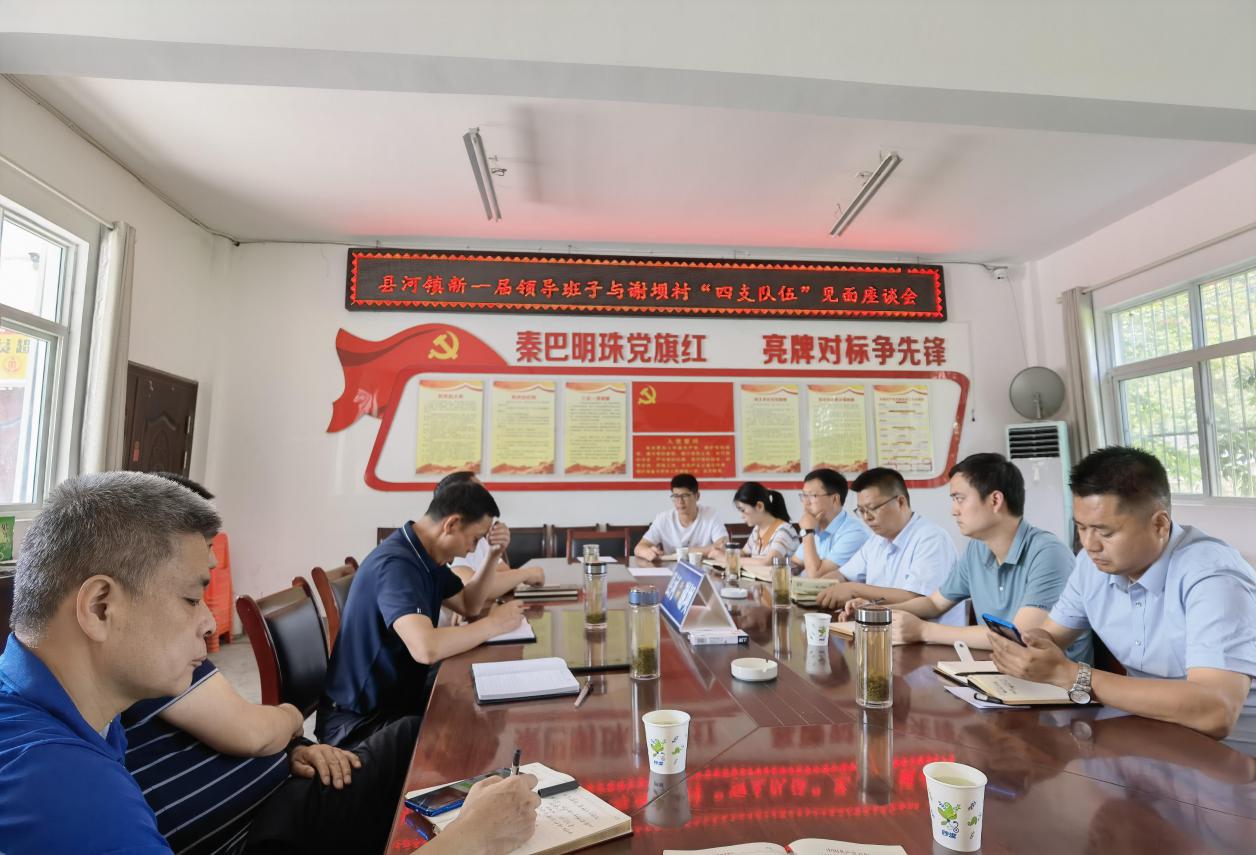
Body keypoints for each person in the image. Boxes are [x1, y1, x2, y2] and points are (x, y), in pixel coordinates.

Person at [121, 474, 420, 854]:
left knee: (410, 748)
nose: (209, 622)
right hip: (262, 826)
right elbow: (250, 732)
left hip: (279, 790)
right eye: (192, 596)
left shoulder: (157, 661)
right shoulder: (151, 651)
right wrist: (291, 718)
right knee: (413, 743)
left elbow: (240, 732)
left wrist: (291, 750)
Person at [991, 446, 1256, 741]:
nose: (1089, 544)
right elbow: (1052, 635)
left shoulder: (1213, 577)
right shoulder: (1091, 565)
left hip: (1231, 755)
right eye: (1081, 528)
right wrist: (1028, 647)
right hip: (1150, 737)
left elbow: (1216, 711)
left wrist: (1072, 675)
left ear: (1159, 524)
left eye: (1105, 532)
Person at [316, 480, 528, 747]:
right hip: (358, 722)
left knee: (475, 703)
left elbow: (469, 604)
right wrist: (494, 624)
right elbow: (425, 648)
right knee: (468, 728)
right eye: (475, 539)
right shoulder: (397, 565)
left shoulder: (423, 555)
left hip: (396, 701)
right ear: (451, 524)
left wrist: (494, 555)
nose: (474, 549)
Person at [843, 453, 1090, 661]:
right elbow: (934, 603)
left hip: (1052, 689)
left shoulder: (1047, 553)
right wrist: (876, 612)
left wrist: (924, 630)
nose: (954, 511)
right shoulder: (977, 549)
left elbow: (1020, 637)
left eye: (959, 499)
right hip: (1000, 671)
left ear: (995, 500)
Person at [814, 467, 964, 625]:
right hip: (883, 630)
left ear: (900, 502)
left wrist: (853, 589)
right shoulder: (876, 540)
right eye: (861, 510)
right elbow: (843, 575)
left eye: (872, 508)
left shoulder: (931, 538)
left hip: (927, 637)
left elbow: (919, 599)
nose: (866, 517)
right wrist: (817, 589)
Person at [437, 471, 545, 598]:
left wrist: (497, 552)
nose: (488, 497)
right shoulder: (452, 541)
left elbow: (505, 576)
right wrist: (526, 574)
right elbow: (471, 591)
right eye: (480, 493)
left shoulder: (479, 539)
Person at [792, 468, 868, 579]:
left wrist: (807, 533)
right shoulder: (815, 527)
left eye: (812, 496)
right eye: (804, 496)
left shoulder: (854, 533)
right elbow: (795, 563)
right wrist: (784, 569)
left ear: (835, 499)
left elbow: (816, 577)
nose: (806, 503)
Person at [634, 474, 728, 561]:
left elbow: (722, 546)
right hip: (672, 570)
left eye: (685, 496)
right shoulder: (663, 519)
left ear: (697, 496)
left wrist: (684, 552)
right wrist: (647, 552)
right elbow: (639, 548)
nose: (680, 501)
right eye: (675, 496)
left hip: (704, 569)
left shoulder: (711, 515)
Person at [725, 481, 799, 565]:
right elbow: (744, 553)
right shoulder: (757, 530)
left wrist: (729, 559)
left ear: (759, 506)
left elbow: (766, 563)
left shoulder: (784, 530)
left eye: (743, 510)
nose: (742, 516)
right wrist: (723, 553)